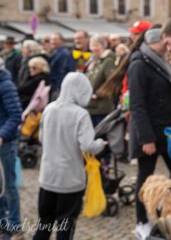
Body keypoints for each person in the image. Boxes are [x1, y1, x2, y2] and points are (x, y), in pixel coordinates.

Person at [33, 72, 106, 240]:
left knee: (44, 223)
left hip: (48, 177)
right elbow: (88, 146)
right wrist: (100, 144)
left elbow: (41, 138)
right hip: (70, 179)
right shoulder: (80, 114)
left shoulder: (49, 108)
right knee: (65, 227)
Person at [128, 28, 171, 239]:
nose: (168, 47)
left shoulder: (162, 61)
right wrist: (146, 138)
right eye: (164, 43)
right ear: (155, 42)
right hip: (149, 134)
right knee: (144, 179)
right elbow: (138, 105)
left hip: (168, 132)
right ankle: (141, 221)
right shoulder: (139, 64)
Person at [0, 58, 22, 239]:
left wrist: (2, 135)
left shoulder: (6, 85)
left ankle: (14, 223)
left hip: (5, 143)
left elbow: (15, 115)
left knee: (8, 185)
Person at [85, 34, 116, 126]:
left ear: (103, 46)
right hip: (90, 105)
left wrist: (98, 94)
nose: (93, 48)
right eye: (92, 45)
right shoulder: (94, 60)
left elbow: (110, 81)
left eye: (96, 45)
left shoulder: (108, 60)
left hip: (101, 106)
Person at [49, 32, 74, 100]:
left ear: (61, 41)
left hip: (58, 87)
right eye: (51, 40)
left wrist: (58, 87)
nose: (53, 42)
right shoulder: (55, 52)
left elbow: (62, 72)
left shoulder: (64, 54)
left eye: (55, 40)